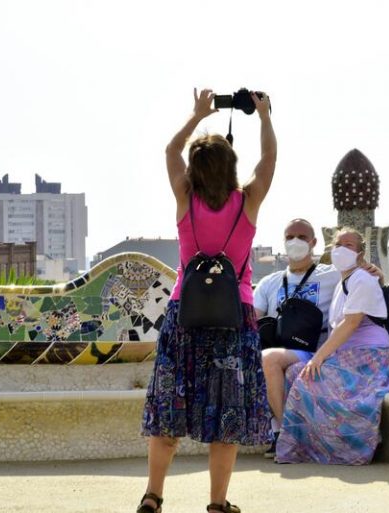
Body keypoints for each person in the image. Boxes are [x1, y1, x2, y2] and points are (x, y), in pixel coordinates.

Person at [138, 88, 276, 513]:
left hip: (185, 316)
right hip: (233, 321)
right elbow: (269, 161)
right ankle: (217, 503)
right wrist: (265, 116)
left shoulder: (185, 199)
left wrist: (198, 114)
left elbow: (169, 149)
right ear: (231, 166)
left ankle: (153, 495)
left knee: (169, 409)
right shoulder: (247, 202)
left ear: (195, 171)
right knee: (226, 417)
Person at [253, 219, 382, 459]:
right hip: (280, 347)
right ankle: (283, 430)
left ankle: (284, 434)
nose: (296, 242)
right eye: (290, 236)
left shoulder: (331, 275)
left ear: (313, 243)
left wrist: (376, 272)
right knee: (265, 358)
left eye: (302, 237)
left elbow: (362, 281)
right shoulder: (268, 283)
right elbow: (251, 318)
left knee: (268, 360)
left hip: (314, 350)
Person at [274, 227, 389, 465]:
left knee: (307, 377)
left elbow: (351, 323)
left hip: (369, 360)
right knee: (293, 373)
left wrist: (318, 357)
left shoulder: (362, 278)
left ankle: (341, 449)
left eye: (349, 245)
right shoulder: (343, 279)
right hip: (348, 356)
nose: (341, 249)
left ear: (361, 253)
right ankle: (306, 447)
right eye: (337, 244)